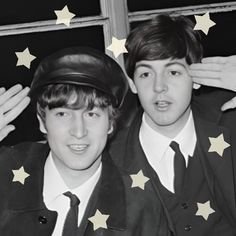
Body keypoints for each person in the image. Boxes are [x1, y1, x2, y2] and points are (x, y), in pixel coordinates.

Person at [0, 47, 168, 236]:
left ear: (111, 123)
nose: (79, 131)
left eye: (92, 114)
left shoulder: (143, 207)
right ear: (42, 122)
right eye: (62, 114)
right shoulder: (4, 174)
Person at [110, 14, 236, 236]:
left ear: (196, 77)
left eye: (174, 72)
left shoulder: (230, 120)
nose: (159, 87)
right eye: (146, 73)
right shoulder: (110, 157)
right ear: (132, 83)